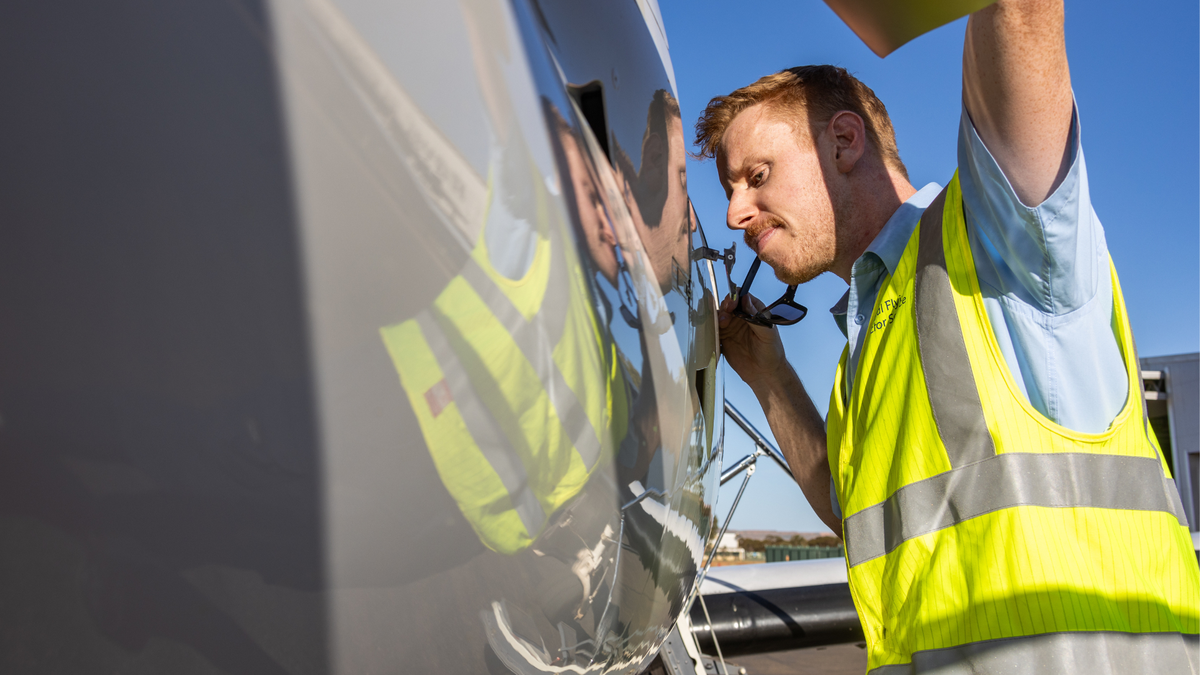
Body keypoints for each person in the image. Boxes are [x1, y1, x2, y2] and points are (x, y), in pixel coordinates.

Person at [693, 0, 1199, 672]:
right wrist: (769, 375)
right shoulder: (866, 347)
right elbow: (857, 515)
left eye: (756, 177)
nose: (733, 213)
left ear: (845, 142)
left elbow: (1022, 11)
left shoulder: (995, 238)